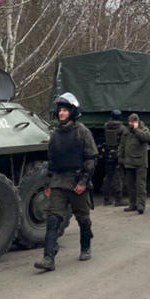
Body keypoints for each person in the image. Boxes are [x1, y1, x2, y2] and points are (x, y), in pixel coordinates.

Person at [34, 93, 97, 272]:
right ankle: (48, 258)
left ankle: (86, 246)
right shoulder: (55, 135)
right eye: (60, 110)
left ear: (72, 112)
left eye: (65, 110)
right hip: (58, 182)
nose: (61, 113)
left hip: (77, 182)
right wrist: (48, 184)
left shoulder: (82, 132)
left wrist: (84, 181)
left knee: (83, 219)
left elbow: (91, 159)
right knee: (53, 219)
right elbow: (51, 161)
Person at [118, 113, 150, 214]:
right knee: (130, 185)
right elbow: (122, 145)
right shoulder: (126, 131)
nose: (131, 124)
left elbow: (146, 138)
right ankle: (132, 204)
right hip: (128, 162)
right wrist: (120, 158)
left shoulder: (144, 129)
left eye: (133, 122)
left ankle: (140, 205)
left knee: (140, 185)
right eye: (130, 122)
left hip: (140, 163)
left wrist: (136, 129)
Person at [102, 109, 128, 206]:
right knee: (118, 176)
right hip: (117, 153)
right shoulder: (122, 128)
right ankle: (118, 199)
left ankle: (106, 199)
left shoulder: (106, 126)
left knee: (108, 176)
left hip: (108, 153)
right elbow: (124, 141)